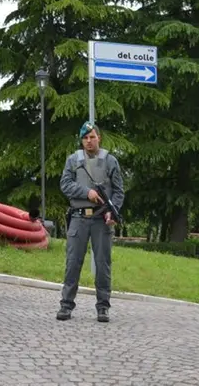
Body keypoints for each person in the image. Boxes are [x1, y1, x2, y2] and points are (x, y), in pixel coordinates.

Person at [56, 121, 124, 323]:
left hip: (101, 220)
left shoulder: (110, 161)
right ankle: (66, 305)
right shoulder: (73, 160)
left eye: (92, 137)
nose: (89, 141)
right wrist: (88, 192)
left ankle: (103, 307)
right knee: (72, 263)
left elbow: (119, 192)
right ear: (81, 140)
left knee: (103, 264)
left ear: (98, 138)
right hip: (78, 218)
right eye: (85, 138)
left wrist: (113, 212)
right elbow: (65, 185)